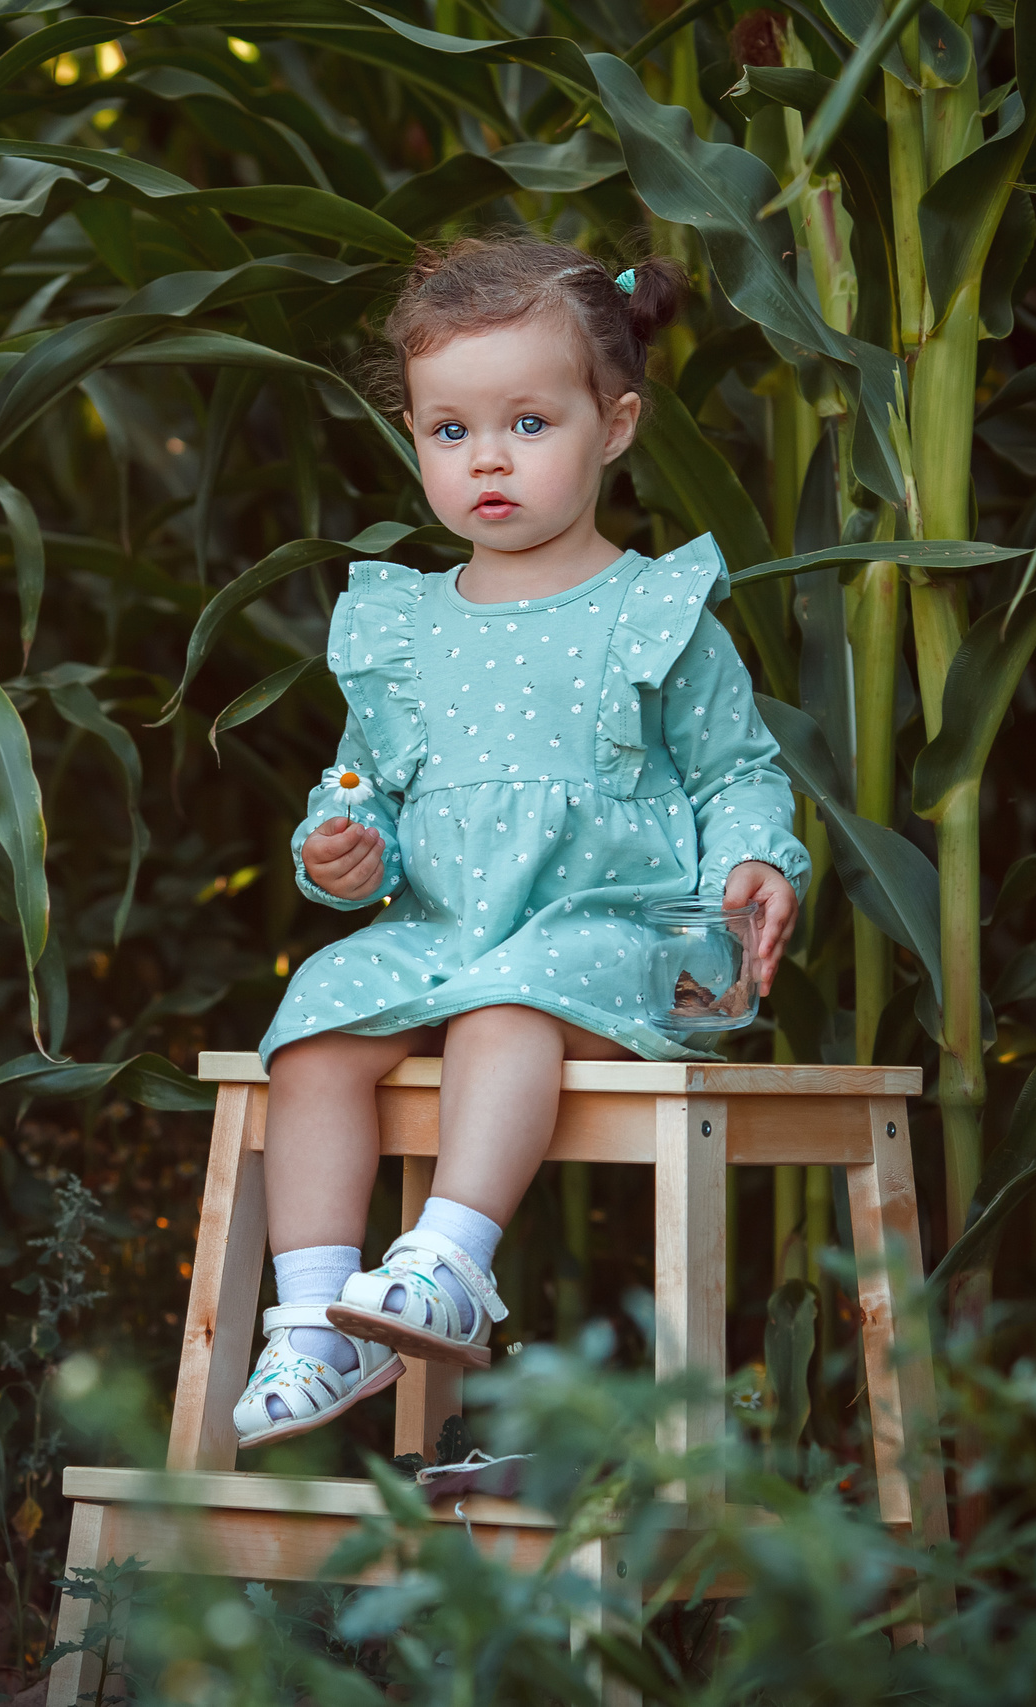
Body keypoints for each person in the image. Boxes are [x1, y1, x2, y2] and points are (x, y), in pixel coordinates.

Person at [235, 237, 810, 1447]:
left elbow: (736, 771)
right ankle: (313, 1326)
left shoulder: (651, 611)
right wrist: (344, 845)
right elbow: (361, 781)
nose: (487, 457)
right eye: (450, 432)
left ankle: (446, 1261)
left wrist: (755, 865)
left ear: (615, 425)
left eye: (529, 424)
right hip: (443, 931)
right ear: (415, 443)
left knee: (510, 1004)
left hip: (605, 937)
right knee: (316, 1020)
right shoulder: (400, 626)